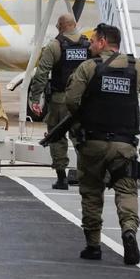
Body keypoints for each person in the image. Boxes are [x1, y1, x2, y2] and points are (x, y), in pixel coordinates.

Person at [65, 23, 140, 265]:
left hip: (93, 143)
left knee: (91, 192)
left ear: (102, 42)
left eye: (93, 40)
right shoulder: (135, 66)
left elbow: (71, 100)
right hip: (124, 144)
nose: (90, 45)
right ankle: (129, 230)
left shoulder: (88, 68)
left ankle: (93, 245)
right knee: (127, 190)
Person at [29, 14, 90, 190]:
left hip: (60, 100)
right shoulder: (88, 46)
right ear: (75, 24)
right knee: (81, 139)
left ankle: (62, 177)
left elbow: (42, 73)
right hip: (82, 101)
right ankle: (84, 176)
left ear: (59, 26)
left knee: (57, 138)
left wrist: (35, 98)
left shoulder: (55, 46)